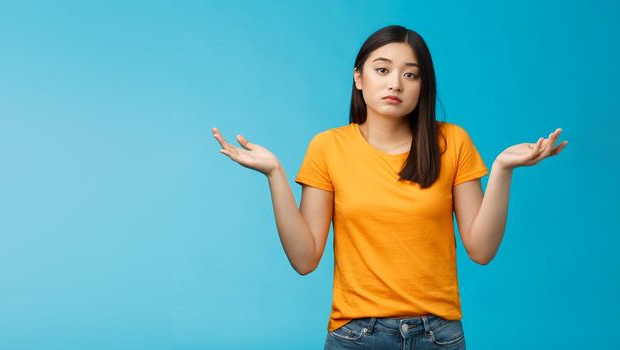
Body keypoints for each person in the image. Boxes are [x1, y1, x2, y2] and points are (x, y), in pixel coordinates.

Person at [210, 25, 567, 350]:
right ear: (359, 77)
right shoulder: (327, 148)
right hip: (357, 336)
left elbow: (482, 250)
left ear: (422, 86)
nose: (395, 83)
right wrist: (275, 174)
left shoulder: (451, 142)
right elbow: (305, 260)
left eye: (410, 75)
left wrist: (503, 169)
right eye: (382, 70)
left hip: (438, 336)